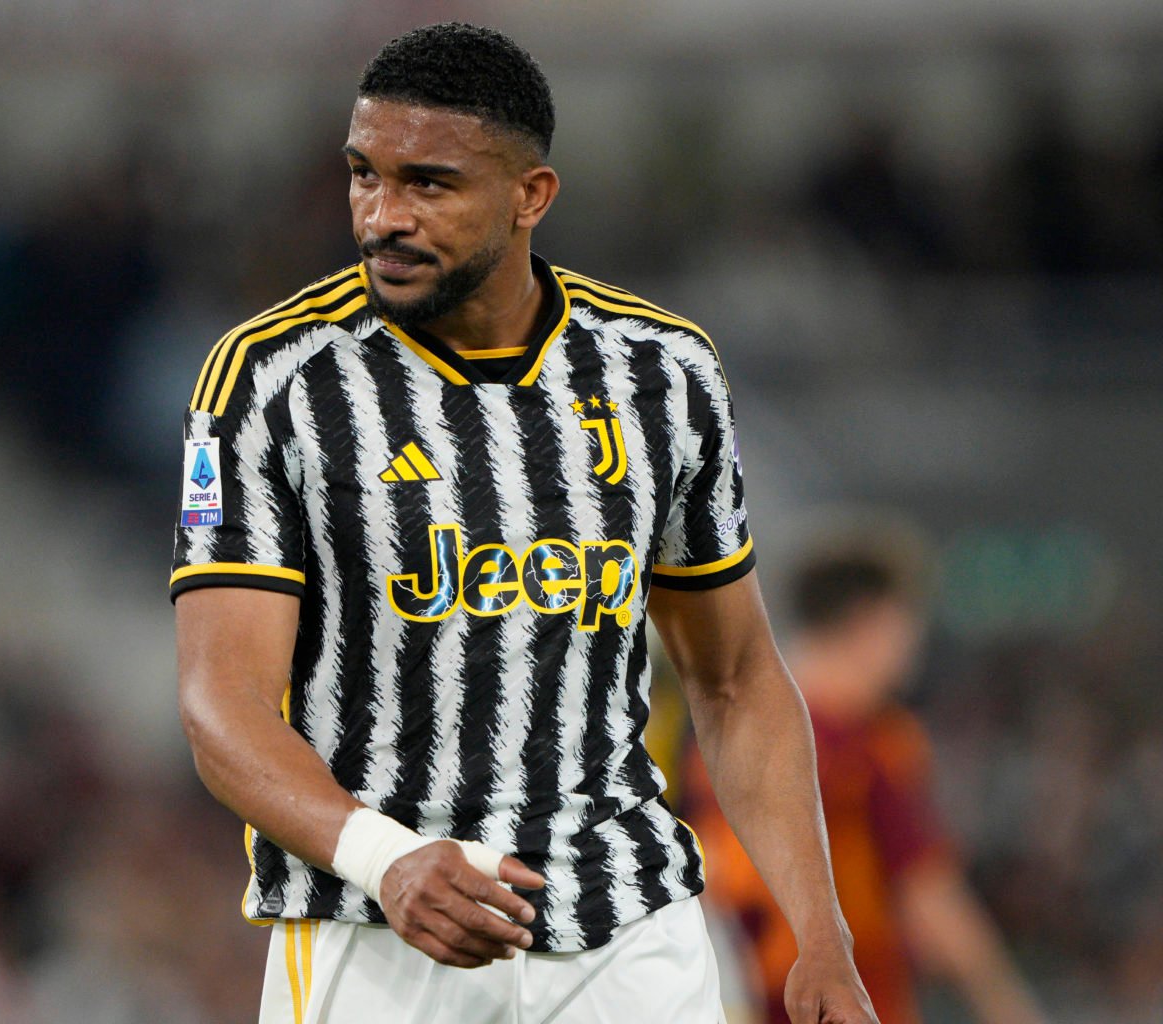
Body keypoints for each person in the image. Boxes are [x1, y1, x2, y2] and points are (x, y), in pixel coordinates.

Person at [173, 23, 876, 1024]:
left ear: (530, 196)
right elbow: (220, 702)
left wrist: (821, 934)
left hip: (627, 922)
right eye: (363, 176)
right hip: (380, 927)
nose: (384, 215)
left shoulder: (661, 375)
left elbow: (734, 676)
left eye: (430, 184)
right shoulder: (273, 380)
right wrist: (391, 859)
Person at [682, 536, 1048, 1024]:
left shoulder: (718, 734)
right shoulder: (869, 740)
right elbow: (928, 893)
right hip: (850, 1001)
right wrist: (1006, 1004)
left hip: (729, 998)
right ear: (873, 620)